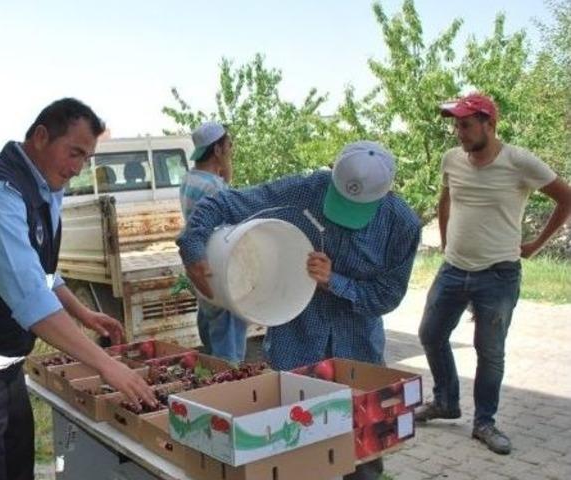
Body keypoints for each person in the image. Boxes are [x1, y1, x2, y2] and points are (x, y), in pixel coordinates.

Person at [0, 98, 156, 480]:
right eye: (73, 152)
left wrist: (82, 312)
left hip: (1, 370)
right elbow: (30, 300)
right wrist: (107, 366)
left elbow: (39, 272)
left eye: (85, 159)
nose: (76, 168)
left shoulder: (43, 189)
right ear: (41, 136)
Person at [178, 141, 421, 480]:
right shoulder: (304, 190)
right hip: (297, 345)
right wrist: (193, 246)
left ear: (386, 194)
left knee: (361, 455)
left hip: (357, 352)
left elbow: (387, 296)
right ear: (333, 177)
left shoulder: (402, 225)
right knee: (294, 450)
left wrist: (334, 281)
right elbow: (223, 202)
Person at [416, 93, 571, 455]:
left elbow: (566, 198)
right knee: (430, 334)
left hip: (498, 275)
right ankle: (446, 401)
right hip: (453, 268)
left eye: (466, 124)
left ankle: (484, 422)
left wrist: (535, 245)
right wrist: (444, 240)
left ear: (489, 124)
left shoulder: (519, 162)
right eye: (456, 124)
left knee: (490, 352)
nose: (459, 132)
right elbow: (446, 198)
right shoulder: (451, 159)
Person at [178, 121, 247, 363]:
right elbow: (232, 223)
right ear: (217, 150)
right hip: (220, 270)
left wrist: (225, 172)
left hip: (201, 266)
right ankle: (228, 393)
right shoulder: (215, 187)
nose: (231, 149)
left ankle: (212, 384)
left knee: (212, 334)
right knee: (229, 353)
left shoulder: (190, 179)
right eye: (228, 145)